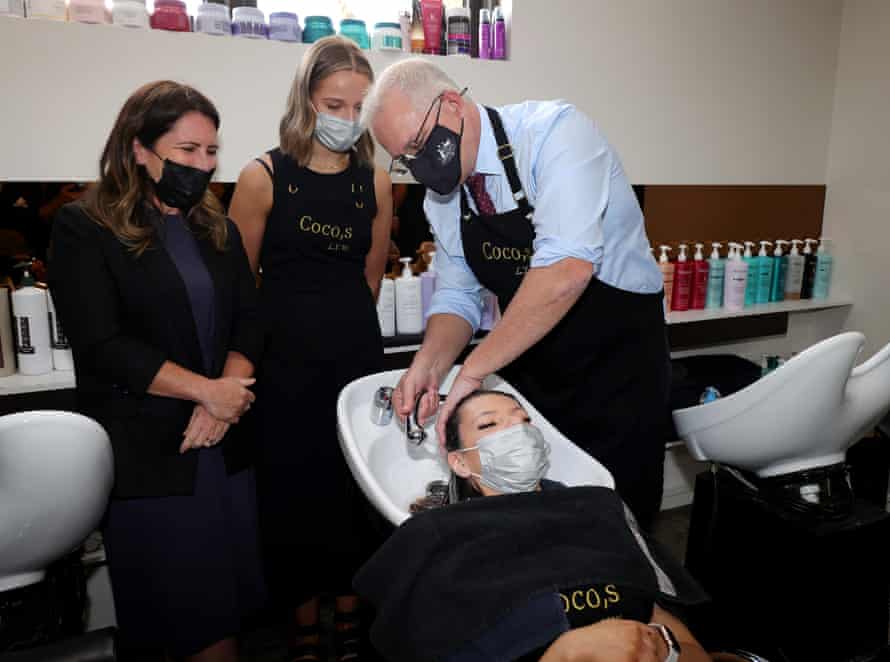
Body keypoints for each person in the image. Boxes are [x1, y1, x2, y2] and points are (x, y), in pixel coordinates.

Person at [361, 59, 671, 531]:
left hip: (616, 366)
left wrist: (475, 369)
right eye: (406, 158)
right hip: (532, 366)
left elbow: (566, 271)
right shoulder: (442, 199)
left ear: (451, 104)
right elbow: (458, 296)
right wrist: (428, 366)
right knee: (540, 513)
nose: (420, 168)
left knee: (617, 517)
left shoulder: (555, 135)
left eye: (421, 146)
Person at [48, 81, 264, 662]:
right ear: (139, 149)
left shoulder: (216, 228)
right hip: (151, 458)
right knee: (186, 623)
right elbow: (101, 344)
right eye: (187, 150)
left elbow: (250, 322)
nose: (203, 164)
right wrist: (207, 393)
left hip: (222, 448)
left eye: (211, 152)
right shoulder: (84, 227)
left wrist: (224, 397)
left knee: (230, 616)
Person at [228, 36, 392, 662]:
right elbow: (242, 288)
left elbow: (370, 278)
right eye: (335, 103)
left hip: (354, 361)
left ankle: (351, 626)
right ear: (305, 100)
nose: (348, 120)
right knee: (294, 498)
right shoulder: (261, 177)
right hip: (283, 367)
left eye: (360, 107)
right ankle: (300, 633)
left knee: (354, 495)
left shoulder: (374, 182)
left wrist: (341, 333)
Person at [355, 390, 711, 662]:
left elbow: (673, 624)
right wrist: (567, 653)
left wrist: (666, 646)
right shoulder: (436, 532)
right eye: (489, 424)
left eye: (524, 420)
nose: (517, 431)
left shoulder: (598, 504)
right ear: (460, 462)